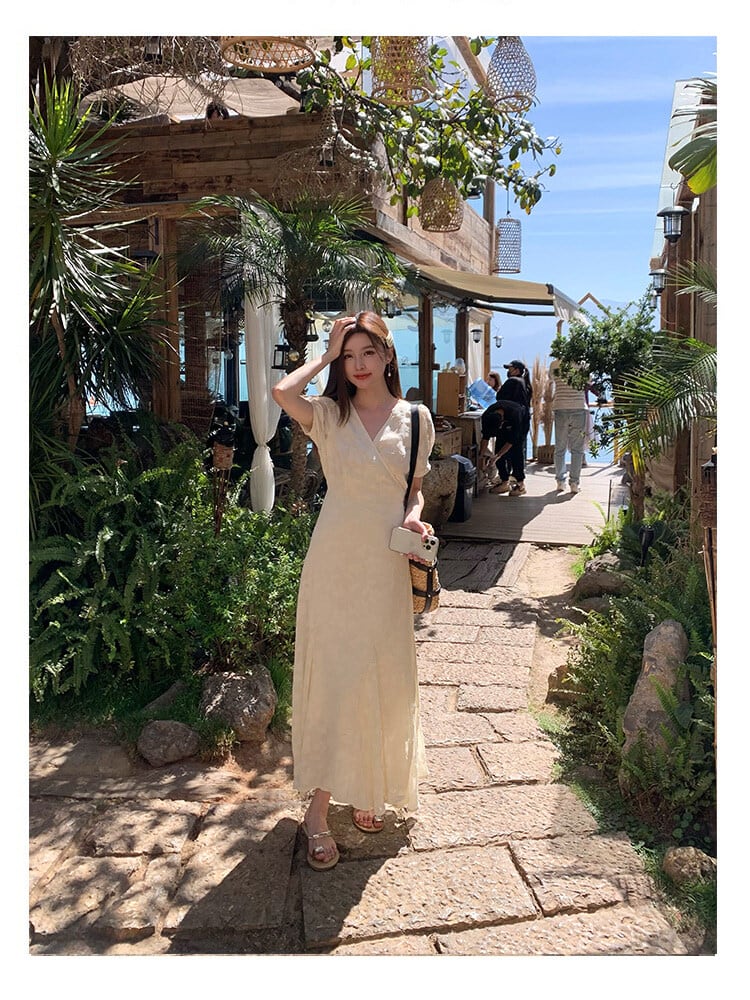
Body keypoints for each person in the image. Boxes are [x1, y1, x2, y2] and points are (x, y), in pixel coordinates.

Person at [271, 311, 435, 871]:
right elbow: (281, 393)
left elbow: (414, 490)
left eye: (368, 352)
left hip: (385, 563)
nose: (358, 364)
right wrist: (324, 353)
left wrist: (414, 517)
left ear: (388, 355)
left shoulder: (416, 418)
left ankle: (369, 786)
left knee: (381, 672)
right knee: (338, 675)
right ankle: (317, 812)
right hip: (335, 562)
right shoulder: (329, 414)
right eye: (349, 355)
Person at [549, 355, 589, 494]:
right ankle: (574, 483)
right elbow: (589, 381)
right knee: (577, 449)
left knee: (560, 447)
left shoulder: (554, 364)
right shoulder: (583, 364)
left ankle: (560, 481)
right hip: (578, 406)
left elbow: (551, 379)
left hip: (560, 407)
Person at [496, 360, 532, 494]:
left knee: (500, 450)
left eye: (510, 368)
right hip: (522, 421)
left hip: (511, 421)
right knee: (517, 452)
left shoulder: (512, 382)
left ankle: (506, 481)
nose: (508, 371)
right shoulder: (525, 383)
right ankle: (517, 483)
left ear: (517, 370)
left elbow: (500, 398)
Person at [479, 398, 527, 495]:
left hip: (522, 420)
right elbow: (485, 438)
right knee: (498, 450)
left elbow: (510, 442)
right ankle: (504, 482)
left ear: (502, 421)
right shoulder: (486, 417)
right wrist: (481, 457)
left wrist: (497, 456)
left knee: (516, 452)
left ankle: (520, 484)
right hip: (505, 423)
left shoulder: (515, 414)